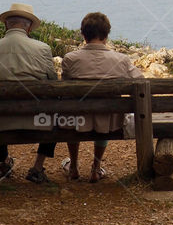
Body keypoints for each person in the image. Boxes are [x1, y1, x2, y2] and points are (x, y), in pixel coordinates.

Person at [0, 3, 57, 184]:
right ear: (28, 27)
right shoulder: (43, 49)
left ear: (6, 25)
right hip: (37, 121)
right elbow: (53, 85)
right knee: (57, 115)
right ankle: (37, 168)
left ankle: (3, 162)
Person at [61, 12, 143, 182]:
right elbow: (141, 82)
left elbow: (65, 87)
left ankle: (74, 166)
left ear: (83, 34)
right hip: (110, 120)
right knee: (102, 116)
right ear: (106, 35)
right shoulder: (121, 60)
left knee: (71, 109)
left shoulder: (70, 59)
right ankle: (95, 168)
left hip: (76, 120)